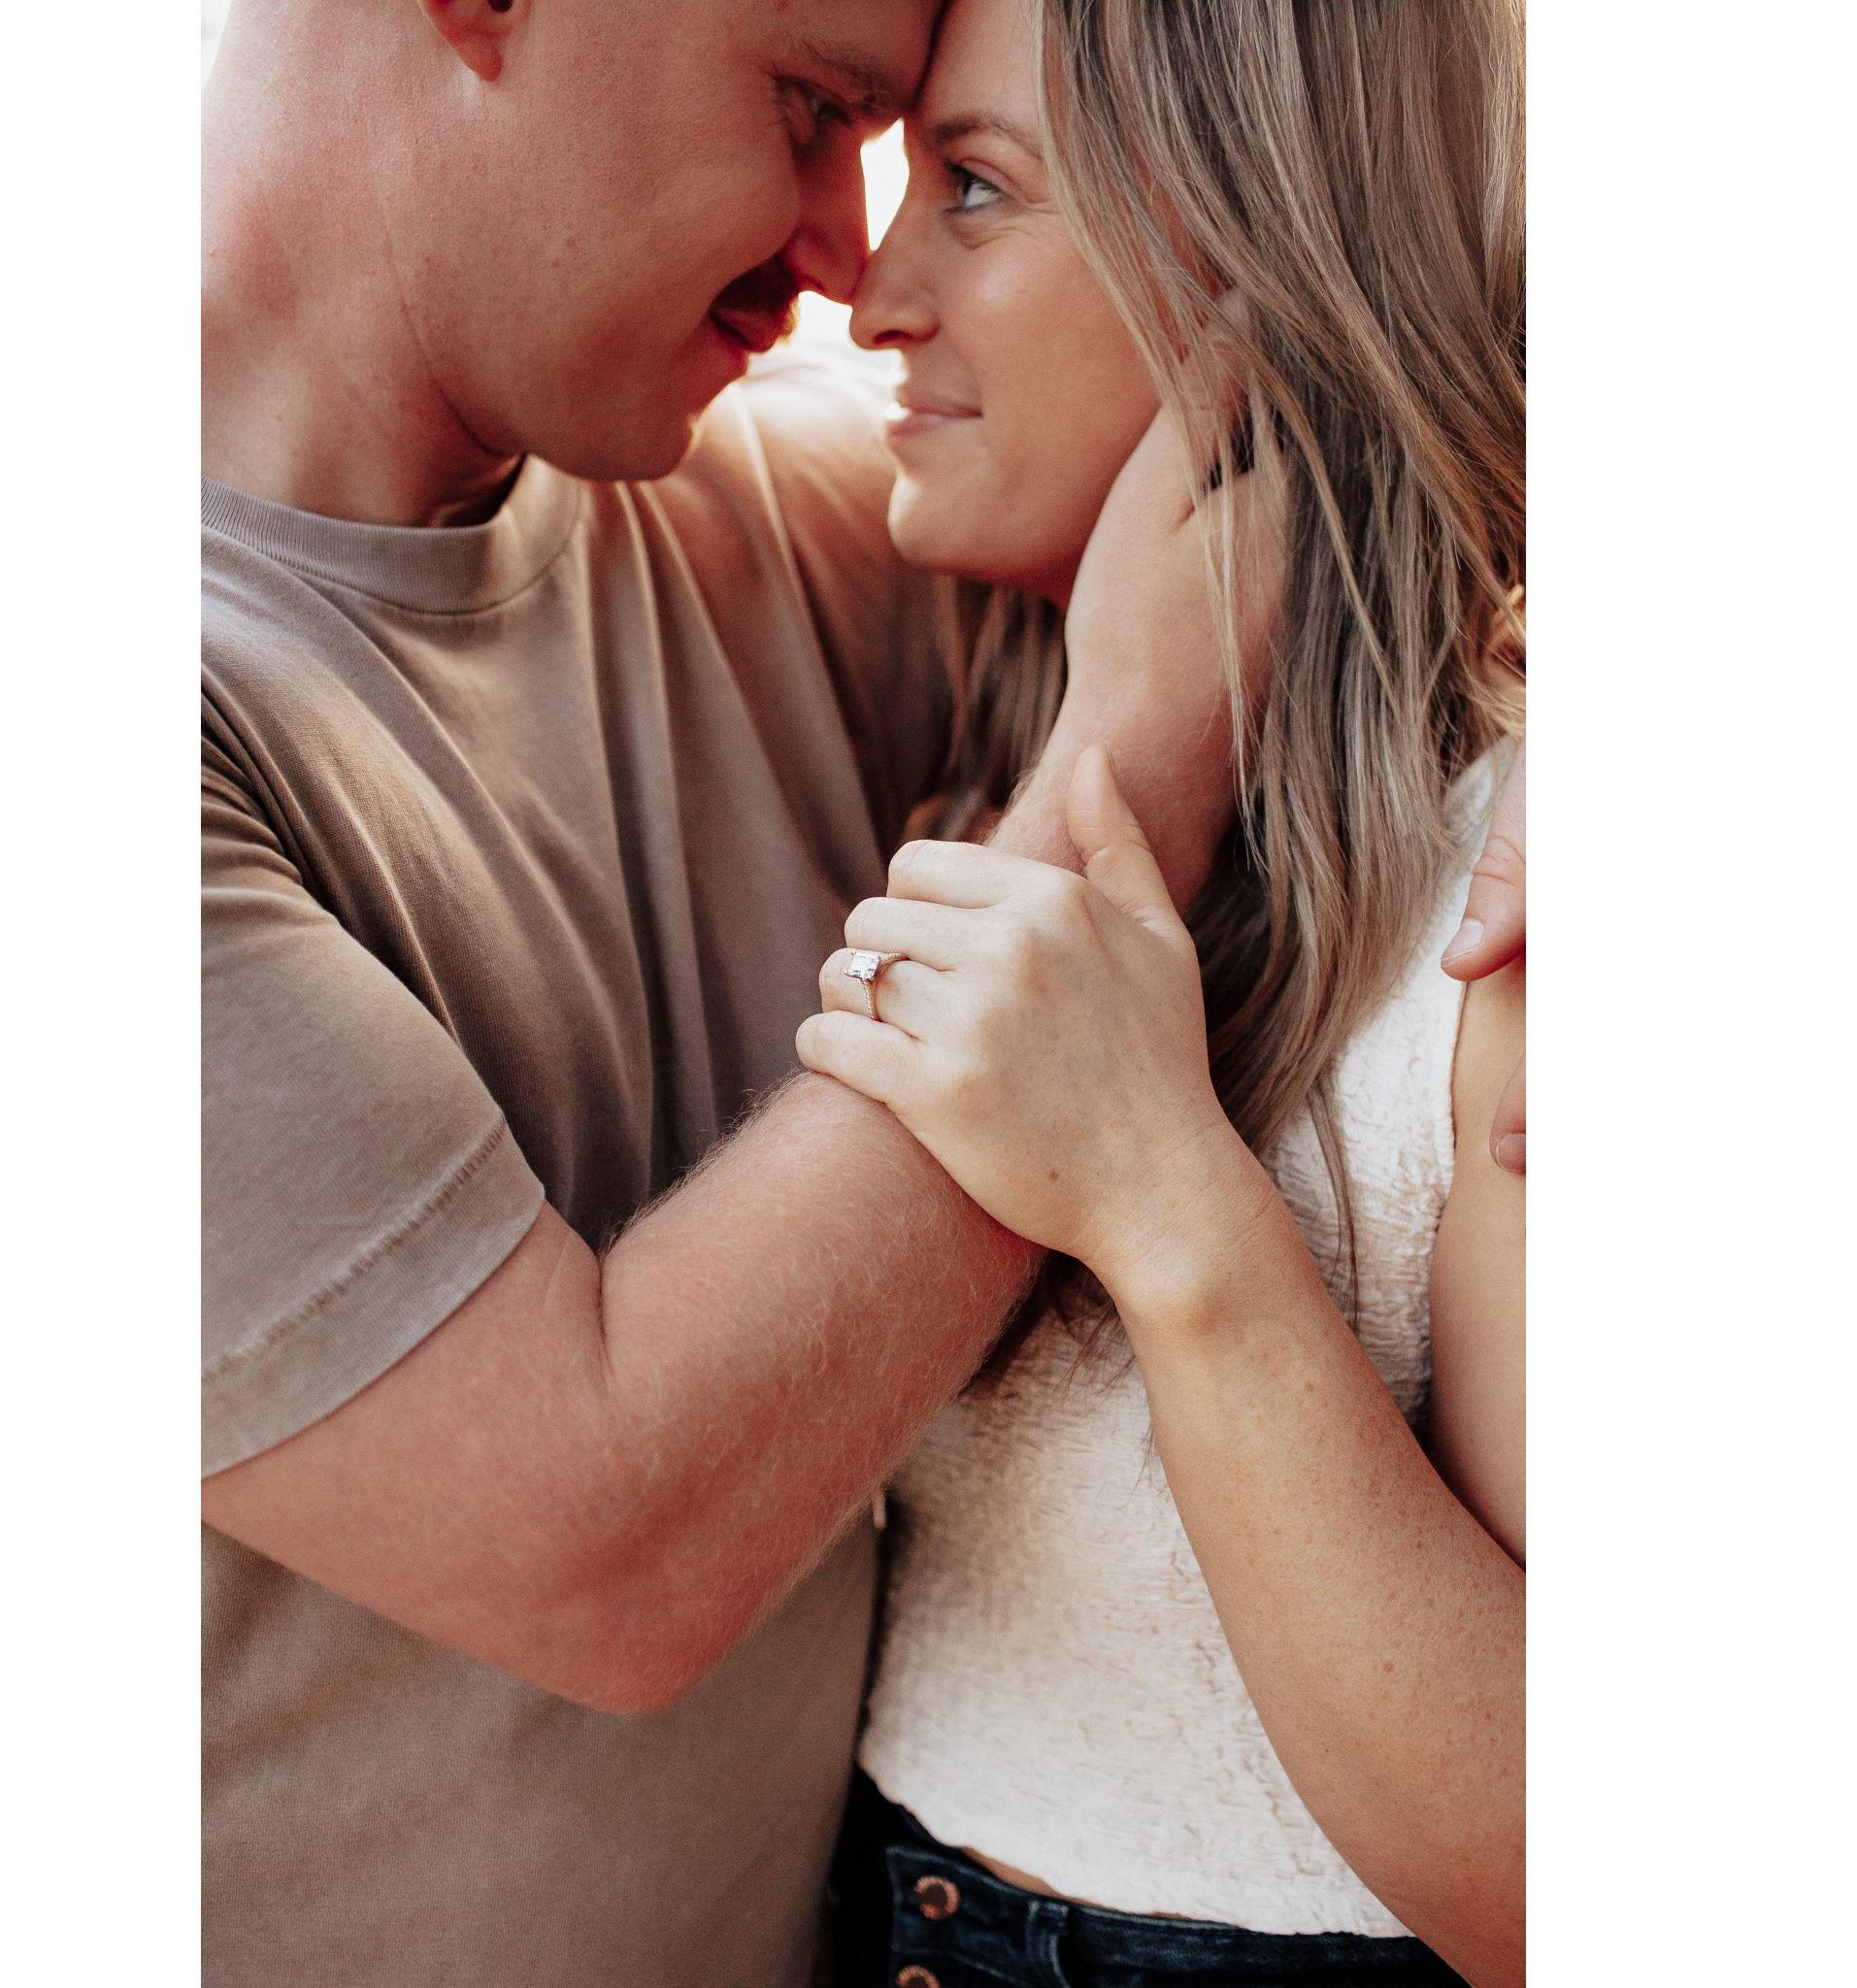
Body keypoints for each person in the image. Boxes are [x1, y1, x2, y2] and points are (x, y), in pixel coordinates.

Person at [197, 1, 1310, 1981]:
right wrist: (1137, 763)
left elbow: (1386, 447)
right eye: (809, 108)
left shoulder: (767, 528)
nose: (841, 253)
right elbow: (600, 1554)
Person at [798, 0, 1525, 1982]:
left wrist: (1162, 1196)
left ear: (1261, 269)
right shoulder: (964, 734)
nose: (871, 296)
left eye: (973, 189)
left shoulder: (1504, 918)